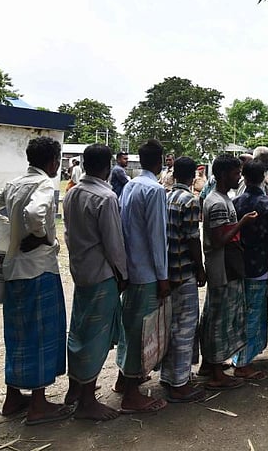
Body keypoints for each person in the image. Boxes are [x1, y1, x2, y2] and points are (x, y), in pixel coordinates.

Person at [0, 136, 72, 425]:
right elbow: (35, 214)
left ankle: (13, 395)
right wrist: (39, 236)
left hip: (13, 270)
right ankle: (38, 404)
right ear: (54, 162)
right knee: (41, 334)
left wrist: (9, 229)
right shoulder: (43, 184)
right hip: (38, 268)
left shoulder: (14, 183)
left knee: (17, 332)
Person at [62, 143, 128, 421]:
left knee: (79, 328)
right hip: (102, 273)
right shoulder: (106, 196)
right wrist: (123, 274)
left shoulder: (72, 192)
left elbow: (67, 232)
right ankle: (87, 401)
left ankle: (75, 388)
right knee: (96, 336)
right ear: (107, 165)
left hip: (81, 270)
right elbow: (114, 243)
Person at [114, 138, 169, 414]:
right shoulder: (155, 190)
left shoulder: (130, 186)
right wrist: (163, 276)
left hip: (131, 268)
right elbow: (157, 237)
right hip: (147, 271)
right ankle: (132, 394)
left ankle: (124, 379)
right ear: (159, 161)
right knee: (141, 331)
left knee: (130, 326)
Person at [200, 155, 257, 389]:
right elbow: (219, 239)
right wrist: (242, 222)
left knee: (217, 316)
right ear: (223, 175)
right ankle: (215, 372)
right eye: (236, 173)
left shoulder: (223, 198)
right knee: (219, 320)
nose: (239, 177)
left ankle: (210, 364)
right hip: (222, 268)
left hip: (226, 266)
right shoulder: (217, 203)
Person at [160, 156, 207, 402]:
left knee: (171, 326)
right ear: (192, 177)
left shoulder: (165, 196)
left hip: (167, 271)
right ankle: (179, 384)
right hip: (184, 271)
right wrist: (200, 268)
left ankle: (169, 376)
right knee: (185, 329)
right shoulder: (190, 200)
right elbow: (192, 238)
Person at [232, 160, 268, 380]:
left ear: (243, 176)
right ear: (263, 177)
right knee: (253, 314)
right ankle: (243, 363)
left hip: (236, 266)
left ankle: (237, 357)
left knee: (238, 313)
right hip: (259, 266)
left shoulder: (234, 203)